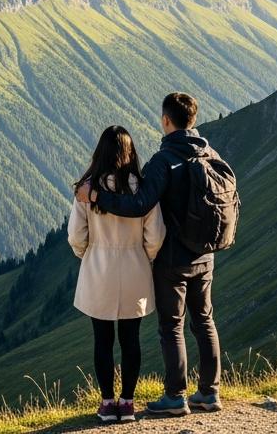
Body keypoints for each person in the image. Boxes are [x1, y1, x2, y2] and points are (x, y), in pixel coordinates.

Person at [76, 93, 224, 416]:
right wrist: (144, 255)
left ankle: (173, 396)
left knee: (168, 327)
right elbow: (152, 231)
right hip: (204, 253)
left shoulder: (162, 161)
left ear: (166, 120)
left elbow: (136, 207)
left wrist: (97, 196)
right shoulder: (209, 153)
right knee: (203, 321)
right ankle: (208, 393)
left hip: (168, 260)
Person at [68, 125, 165, 424]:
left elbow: (75, 235)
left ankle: (107, 403)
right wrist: (142, 256)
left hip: (99, 268)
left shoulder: (87, 188)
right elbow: (156, 235)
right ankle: (128, 403)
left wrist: (90, 254)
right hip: (134, 267)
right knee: (131, 340)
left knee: (102, 340)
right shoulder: (141, 188)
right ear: (129, 152)